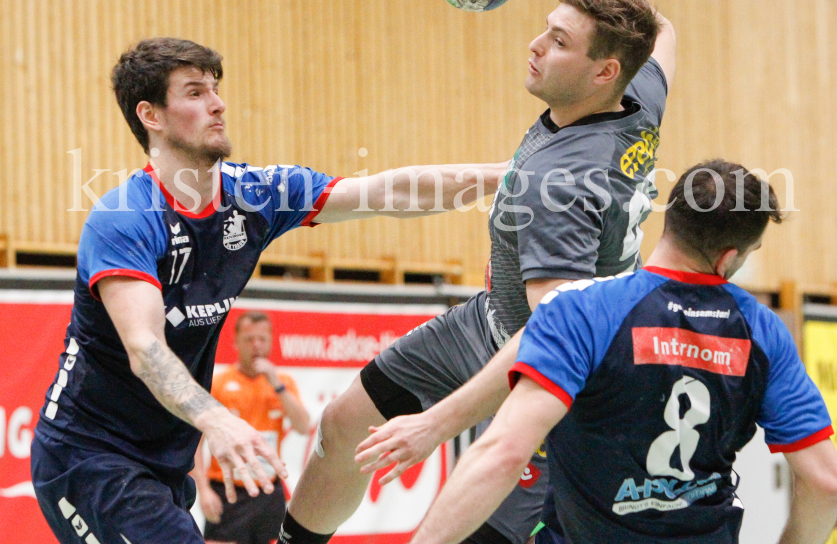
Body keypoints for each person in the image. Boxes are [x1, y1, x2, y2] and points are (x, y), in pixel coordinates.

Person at [282, 0, 678, 544]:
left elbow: (555, 334)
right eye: (545, 29)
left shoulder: (560, 186)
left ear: (604, 71)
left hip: (555, 369)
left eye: (559, 42)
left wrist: (437, 423)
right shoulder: (638, 95)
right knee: (345, 424)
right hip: (491, 318)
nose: (536, 46)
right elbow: (658, 26)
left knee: (475, 530)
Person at [30, 37, 506, 544]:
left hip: (162, 461)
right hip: (87, 456)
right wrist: (218, 420)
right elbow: (145, 349)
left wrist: (510, 173)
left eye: (216, 88)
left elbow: (389, 191)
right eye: (194, 92)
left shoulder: (255, 195)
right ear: (151, 115)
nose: (218, 103)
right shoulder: (124, 217)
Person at [407, 160, 837, 544]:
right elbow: (824, 483)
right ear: (728, 257)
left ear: (670, 219)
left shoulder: (585, 308)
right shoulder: (762, 332)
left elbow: (503, 452)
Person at [193, 311, 309, 544]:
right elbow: (195, 443)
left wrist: (276, 384)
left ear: (270, 341)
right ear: (236, 342)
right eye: (249, 339)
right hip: (228, 491)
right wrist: (203, 490)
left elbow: (304, 426)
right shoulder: (219, 384)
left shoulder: (282, 383)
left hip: (268, 491)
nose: (256, 345)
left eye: (262, 339)